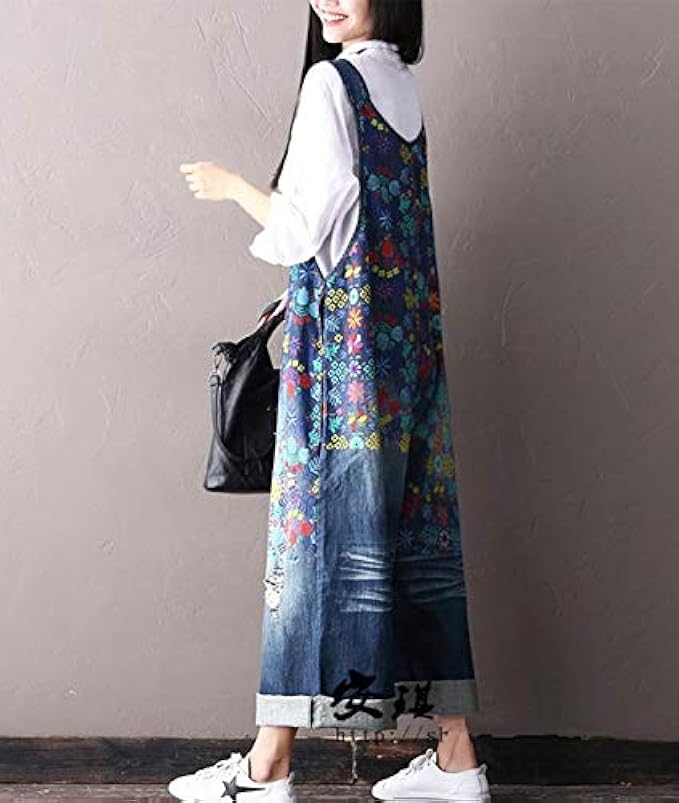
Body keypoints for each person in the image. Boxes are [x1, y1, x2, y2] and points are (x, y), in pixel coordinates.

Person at [173, 1, 491, 801]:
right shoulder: (400, 86)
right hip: (405, 357)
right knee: (414, 544)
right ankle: (456, 755)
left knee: (313, 548)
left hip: (343, 364)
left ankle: (267, 767)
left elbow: (302, 229)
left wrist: (235, 188)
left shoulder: (332, 84)